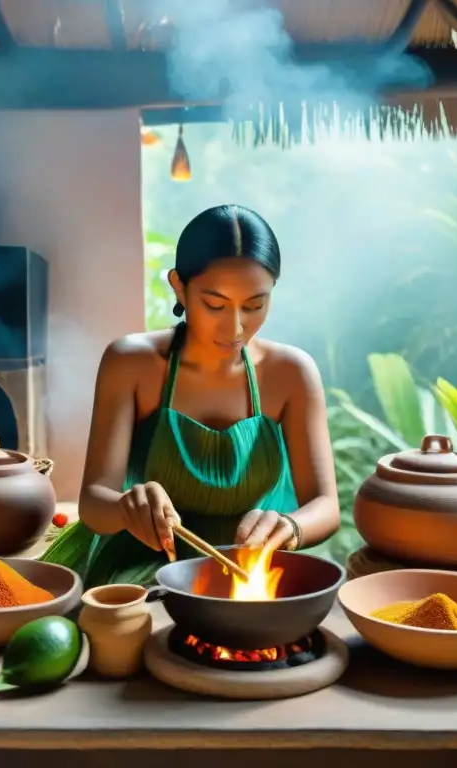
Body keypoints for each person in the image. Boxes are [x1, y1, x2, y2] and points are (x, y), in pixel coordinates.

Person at [41, 204, 339, 587]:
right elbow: (95, 504)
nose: (235, 328)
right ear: (179, 286)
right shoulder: (131, 363)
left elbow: (327, 506)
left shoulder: (291, 373)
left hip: (248, 571)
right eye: (214, 304)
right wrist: (126, 506)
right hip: (146, 566)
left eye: (254, 305)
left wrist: (290, 525)